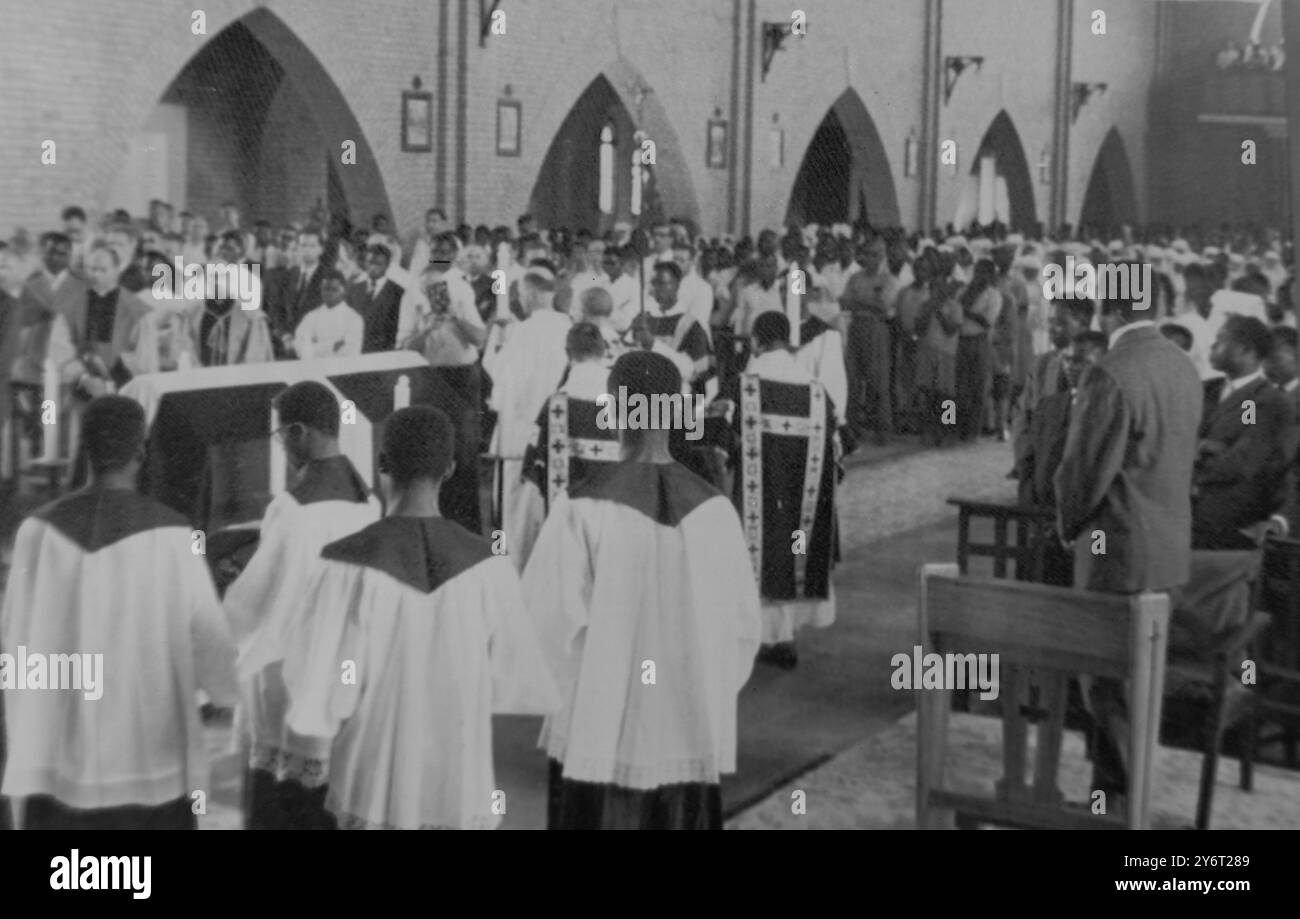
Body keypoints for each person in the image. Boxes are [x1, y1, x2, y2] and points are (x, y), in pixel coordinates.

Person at [261, 406, 558, 829]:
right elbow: (512, 681)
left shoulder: (343, 564)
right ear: (451, 469)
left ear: (382, 463)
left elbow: (318, 685)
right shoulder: (490, 568)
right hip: (458, 781)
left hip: (373, 776)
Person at [524, 351, 761, 830]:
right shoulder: (717, 512)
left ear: (612, 410)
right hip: (689, 742)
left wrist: (589, 697)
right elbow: (740, 636)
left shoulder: (580, 508)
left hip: (599, 743)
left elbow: (541, 631)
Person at [1, 396, 238, 829]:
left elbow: (13, 643)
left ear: (83, 449)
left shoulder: (36, 532)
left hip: (59, 768)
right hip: (150, 772)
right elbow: (209, 640)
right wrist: (227, 692)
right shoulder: (173, 534)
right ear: (141, 453)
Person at [1054, 292, 1203, 804]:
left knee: (1105, 684)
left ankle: (1120, 803)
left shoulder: (1111, 372)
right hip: (1168, 550)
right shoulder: (1182, 364)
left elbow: (1084, 472)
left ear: (1109, 312)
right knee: (1140, 684)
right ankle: (1115, 795)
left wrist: (1067, 524)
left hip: (1116, 552)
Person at [225, 382, 381, 830]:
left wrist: (231, 583)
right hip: (339, 680)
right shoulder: (368, 503)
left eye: (281, 437)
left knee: (279, 808)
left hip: (288, 686)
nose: (283, 448)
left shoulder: (292, 511)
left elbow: (256, 604)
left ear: (299, 432)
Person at [715, 312, 837, 669]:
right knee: (792, 550)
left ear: (755, 342)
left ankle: (757, 637)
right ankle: (783, 637)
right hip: (802, 504)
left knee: (760, 551)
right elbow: (841, 448)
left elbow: (714, 441)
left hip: (760, 499)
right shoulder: (817, 392)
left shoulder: (744, 385)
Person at [484, 264, 572, 561]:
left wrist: (497, 336)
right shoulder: (570, 328)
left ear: (533, 293)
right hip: (558, 438)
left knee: (517, 516)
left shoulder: (522, 333)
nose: (519, 301)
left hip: (520, 437)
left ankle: (515, 579)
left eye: (520, 294)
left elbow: (498, 384)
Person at [516, 322, 621, 569]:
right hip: (617, 526)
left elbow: (533, 479)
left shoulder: (554, 407)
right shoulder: (626, 404)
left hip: (567, 532)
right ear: (604, 351)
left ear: (567, 353)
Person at [403, 237, 488, 534]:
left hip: (461, 378)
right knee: (429, 453)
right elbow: (403, 346)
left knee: (463, 453)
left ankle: (465, 528)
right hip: (427, 377)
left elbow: (480, 338)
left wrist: (454, 319)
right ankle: (430, 523)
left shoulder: (462, 287)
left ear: (455, 255)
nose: (440, 255)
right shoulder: (413, 288)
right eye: (435, 251)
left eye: (446, 251)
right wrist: (426, 327)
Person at [1192, 315, 1293, 550]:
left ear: (1246, 350)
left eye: (1221, 340)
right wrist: (1204, 447)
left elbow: (1242, 460)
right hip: (1186, 510)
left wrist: (1192, 462)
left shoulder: (1258, 401)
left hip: (1225, 518)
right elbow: (1177, 439)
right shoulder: (1207, 389)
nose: (1213, 346)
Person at [840, 236, 897, 446]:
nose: (871, 259)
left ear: (882, 256)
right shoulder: (856, 278)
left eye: (875, 255)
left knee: (879, 382)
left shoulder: (889, 280)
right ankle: (852, 428)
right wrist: (866, 303)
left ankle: (883, 429)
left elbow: (883, 307)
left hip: (877, 328)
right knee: (852, 379)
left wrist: (859, 302)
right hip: (856, 327)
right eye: (868, 254)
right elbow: (845, 301)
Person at [293, 269, 364, 360]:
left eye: (334, 289)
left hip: (342, 372)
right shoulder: (311, 316)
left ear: (344, 290)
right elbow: (301, 347)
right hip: (314, 370)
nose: (329, 293)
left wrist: (315, 345)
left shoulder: (354, 318)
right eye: (326, 289)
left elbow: (349, 353)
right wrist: (333, 346)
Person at [351, 244, 405, 353]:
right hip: (355, 349)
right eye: (370, 262)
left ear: (387, 265)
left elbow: (396, 328)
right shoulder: (355, 289)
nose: (373, 268)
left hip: (382, 352)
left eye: (378, 264)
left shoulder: (398, 293)